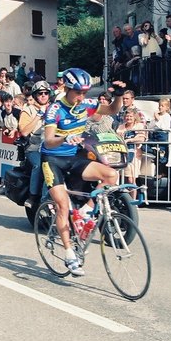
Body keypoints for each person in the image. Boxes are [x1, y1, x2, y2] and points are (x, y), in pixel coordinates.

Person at [41, 68, 124, 276]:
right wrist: (64, 138)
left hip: (74, 157)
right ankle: (69, 254)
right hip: (53, 159)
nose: (81, 96)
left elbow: (112, 110)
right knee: (61, 205)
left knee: (111, 175)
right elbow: (49, 142)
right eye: (77, 92)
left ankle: (85, 211)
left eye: (85, 92)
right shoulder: (55, 109)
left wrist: (119, 96)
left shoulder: (86, 105)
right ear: (67, 89)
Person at [18, 81, 51, 208]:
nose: (43, 96)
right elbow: (24, 131)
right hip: (34, 147)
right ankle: (34, 197)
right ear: (35, 95)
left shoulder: (55, 108)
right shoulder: (28, 110)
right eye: (40, 93)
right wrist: (38, 116)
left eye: (46, 93)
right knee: (40, 165)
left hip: (53, 147)